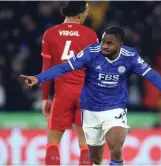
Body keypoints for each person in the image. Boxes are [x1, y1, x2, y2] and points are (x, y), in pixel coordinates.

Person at [21, 26, 161, 165]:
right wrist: (38, 78)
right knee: (96, 158)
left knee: (115, 148)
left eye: (109, 43)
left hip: (115, 108)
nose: (104, 46)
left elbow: (152, 76)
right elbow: (63, 67)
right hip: (90, 110)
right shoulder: (91, 53)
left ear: (120, 44)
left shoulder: (130, 57)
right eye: (103, 42)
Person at [39, 1, 98, 165]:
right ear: (80, 14)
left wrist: (45, 97)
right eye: (86, 10)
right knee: (86, 146)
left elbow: (46, 69)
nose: (87, 13)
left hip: (62, 94)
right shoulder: (90, 35)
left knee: (52, 144)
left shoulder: (50, 34)